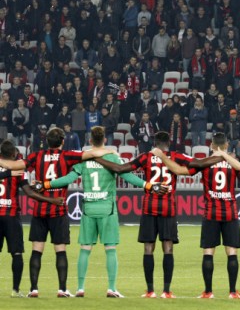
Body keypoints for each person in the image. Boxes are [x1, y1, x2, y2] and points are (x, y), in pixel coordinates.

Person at [151, 133, 240, 298]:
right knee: (231, 252)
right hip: (230, 213)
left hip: (211, 212)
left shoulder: (205, 164)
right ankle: (233, 292)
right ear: (226, 146)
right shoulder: (233, 164)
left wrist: (163, 157)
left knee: (208, 252)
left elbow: (179, 170)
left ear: (211, 146)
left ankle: (208, 292)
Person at [44, 127, 163, 297]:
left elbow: (69, 178)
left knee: (85, 249)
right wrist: (148, 185)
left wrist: (48, 184)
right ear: (104, 140)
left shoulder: (84, 157)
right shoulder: (112, 156)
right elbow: (127, 176)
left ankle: (80, 288)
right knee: (110, 249)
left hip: (89, 208)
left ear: (90, 140)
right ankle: (111, 288)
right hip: (107, 208)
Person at [0, 128, 113, 298]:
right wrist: (110, 150)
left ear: (46, 141)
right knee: (60, 250)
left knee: (37, 250)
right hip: (58, 210)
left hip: (39, 210)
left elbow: (13, 165)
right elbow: (92, 154)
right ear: (62, 141)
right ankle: (62, 289)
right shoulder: (67, 155)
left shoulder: (36, 156)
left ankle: (33, 289)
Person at [94, 132, 193, 298]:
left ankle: (150, 290)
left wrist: (96, 159)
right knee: (168, 247)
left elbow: (121, 169)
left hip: (149, 207)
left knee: (148, 248)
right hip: (168, 208)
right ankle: (167, 291)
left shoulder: (145, 157)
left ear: (154, 142)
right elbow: (196, 165)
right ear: (168, 142)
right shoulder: (176, 156)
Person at [0, 140, 65, 298]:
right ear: (14, 154)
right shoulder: (18, 171)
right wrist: (52, 200)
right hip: (11, 215)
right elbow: (29, 193)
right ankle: (15, 290)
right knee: (16, 254)